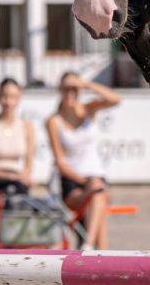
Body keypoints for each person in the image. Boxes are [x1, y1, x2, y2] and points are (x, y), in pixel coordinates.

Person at [46, 72, 121, 248]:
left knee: (98, 196)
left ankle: (89, 246)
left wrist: (87, 84)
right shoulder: (54, 120)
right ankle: (96, 251)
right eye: (66, 89)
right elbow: (60, 162)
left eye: (74, 89)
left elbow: (115, 99)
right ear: (60, 90)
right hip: (73, 181)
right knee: (98, 196)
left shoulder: (87, 109)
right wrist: (86, 182)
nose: (70, 93)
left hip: (95, 177)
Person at [0, 77, 35, 197]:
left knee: (18, 190)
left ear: (19, 99)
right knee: (12, 190)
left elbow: (28, 167)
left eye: (12, 97)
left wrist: (20, 177)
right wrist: (12, 177)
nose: (8, 102)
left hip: (19, 181)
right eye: (4, 96)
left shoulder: (27, 126)